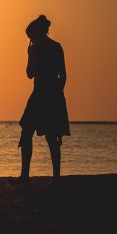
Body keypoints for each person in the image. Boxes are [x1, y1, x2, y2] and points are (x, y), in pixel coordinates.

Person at [14, 15, 70, 184]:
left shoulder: (37, 49)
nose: (30, 40)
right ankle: (56, 177)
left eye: (30, 36)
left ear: (36, 33)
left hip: (41, 95)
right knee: (49, 137)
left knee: (28, 134)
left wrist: (30, 55)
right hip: (51, 95)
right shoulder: (56, 47)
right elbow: (63, 76)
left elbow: (29, 74)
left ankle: (26, 176)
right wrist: (57, 94)